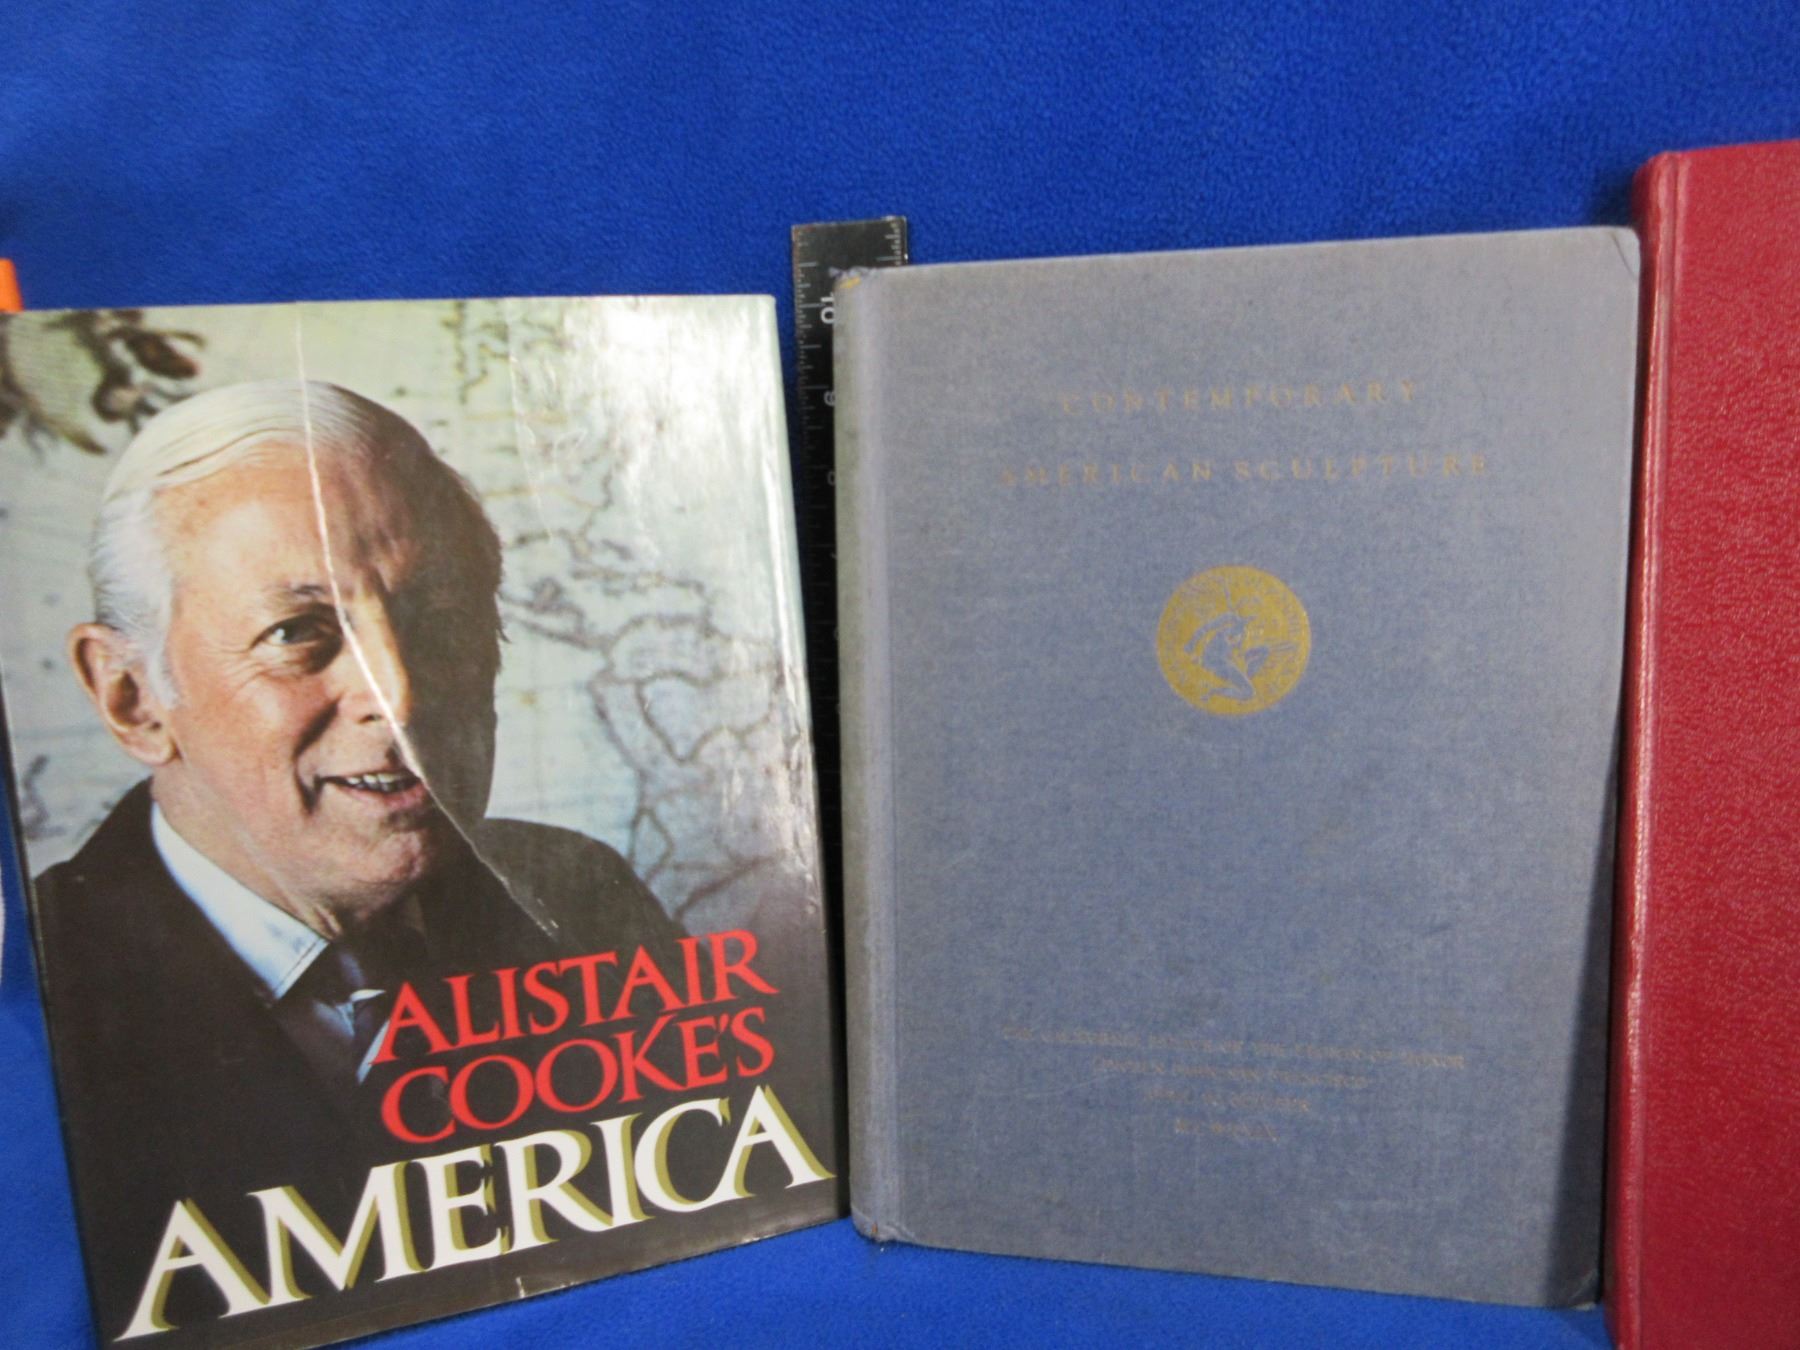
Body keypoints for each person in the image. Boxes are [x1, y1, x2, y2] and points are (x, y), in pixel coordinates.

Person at [32, 380, 682, 1336]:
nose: (401, 695)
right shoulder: (41, 1000)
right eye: (299, 633)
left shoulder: (578, 892)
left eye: (436, 618)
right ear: (132, 696)